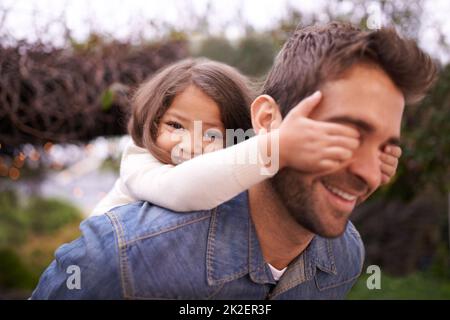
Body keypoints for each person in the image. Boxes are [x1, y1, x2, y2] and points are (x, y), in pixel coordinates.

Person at [30, 22, 436, 300]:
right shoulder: (117, 257)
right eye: (341, 134)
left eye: (384, 148)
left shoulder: (346, 258)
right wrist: (277, 147)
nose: (368, 172)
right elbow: (184, 186)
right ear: (265, 122)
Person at [90, 58, 399, 217]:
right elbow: (182, 190)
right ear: (152, 123)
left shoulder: (228, 169)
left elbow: (283, 196)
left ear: (237, 138)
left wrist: (362, 167)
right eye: (176, 126)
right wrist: (277, 147)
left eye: (212, 133)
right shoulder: (139, 160)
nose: (192, 144)